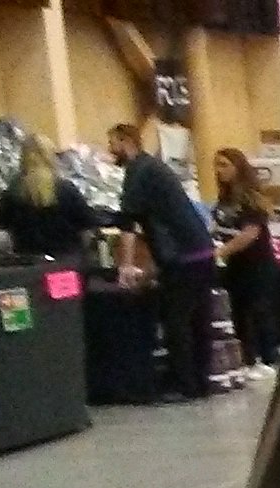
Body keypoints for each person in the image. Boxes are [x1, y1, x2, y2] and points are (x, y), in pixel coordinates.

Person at [107, 122, 217, 401]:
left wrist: (126, 266)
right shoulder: (156, 169)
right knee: (198, 320)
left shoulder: (138, 171)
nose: (110, 150)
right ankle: (201, 381)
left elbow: (128, 224)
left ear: (126, 140)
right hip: (201, 250)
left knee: (176, 321)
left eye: (113, 143)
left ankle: (184, 384)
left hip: (182, 256)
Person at [210, 147, 278, 375]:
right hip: (235, 265)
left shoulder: (250, 198)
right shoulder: (224, 199)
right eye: (216, 165)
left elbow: (250, 233)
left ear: (238, 168)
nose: (219, 170)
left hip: (257, 263)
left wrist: (222, 251)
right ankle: (248, 359)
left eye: (224, 165)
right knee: (238, 311)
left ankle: (268, 359)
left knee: (259, 310)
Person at [0, 137, 99, 259]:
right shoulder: (66, 189)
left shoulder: (13, 191)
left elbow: (3, 224)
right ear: (50, 157)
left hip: (27, 261)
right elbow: (87, 224)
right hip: (66, 260)